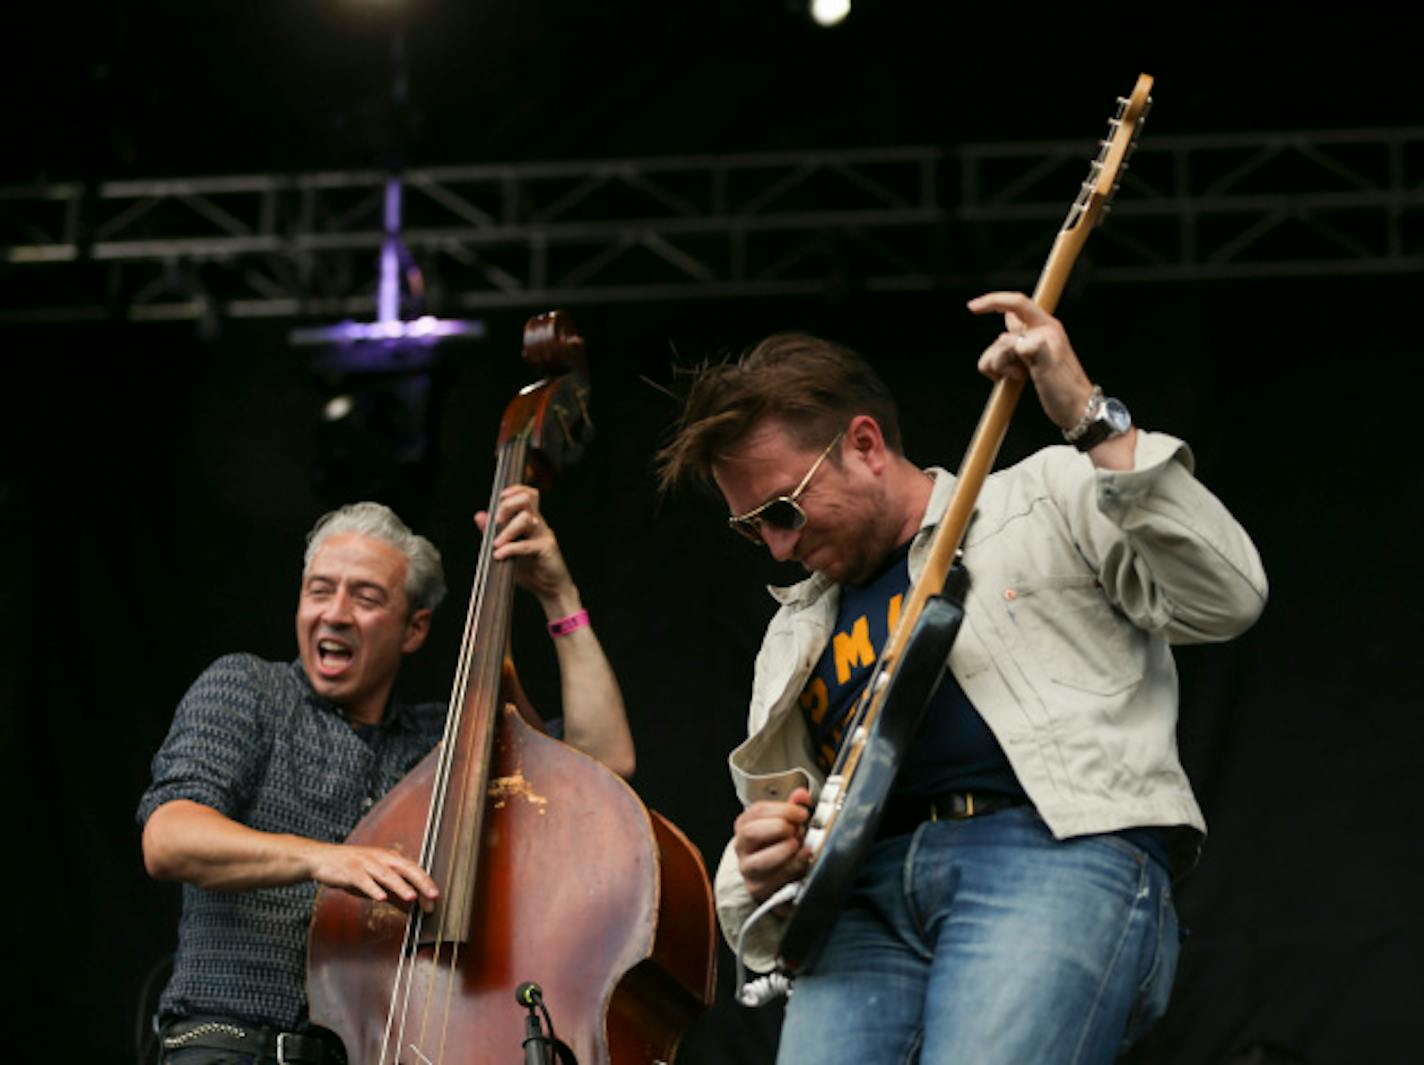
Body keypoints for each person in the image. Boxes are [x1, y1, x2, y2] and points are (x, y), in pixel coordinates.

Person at [655, 290, 1268, 1064]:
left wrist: (1088, 416)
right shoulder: (790, 634)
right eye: (752, 527)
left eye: (782, 509)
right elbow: (765, 875)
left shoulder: (1039, 496)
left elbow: (1227, 594)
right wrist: (756, 859)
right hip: (860, 901)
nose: (775, 547)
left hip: (1046, 853)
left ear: (866, 444)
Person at [138, 488, 634, 1064]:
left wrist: (557, 594)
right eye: (319, 590)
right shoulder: (248, 689)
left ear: (414, 629)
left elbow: (603, 764)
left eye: (366, 597)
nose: (335, 612)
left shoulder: (440, 749)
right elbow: (169, 837)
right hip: (233, 1046)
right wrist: (326, 858)